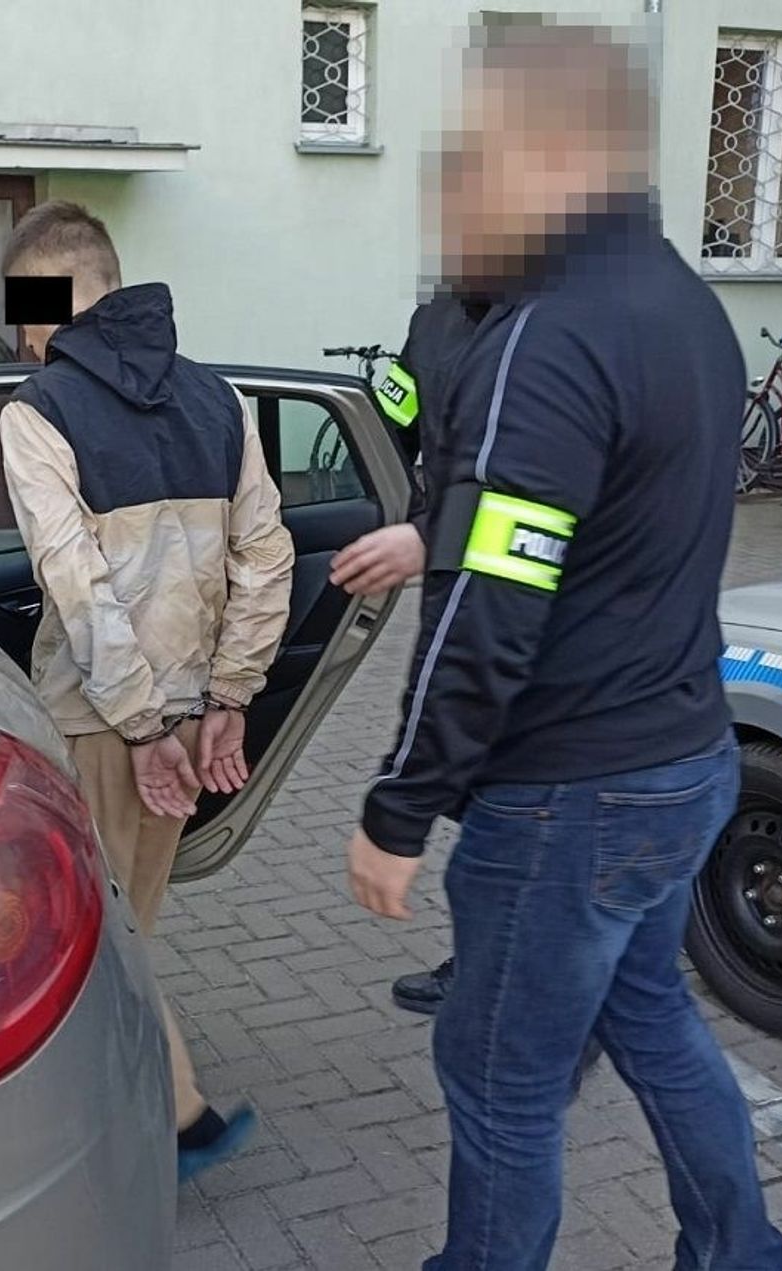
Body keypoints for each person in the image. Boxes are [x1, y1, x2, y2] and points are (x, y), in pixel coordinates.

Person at [344, 23, 782, 1271]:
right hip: (682, 759)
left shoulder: (546, 337)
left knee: (498, 1076)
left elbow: (489, 607)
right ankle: (742, 1252)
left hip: (568, 795)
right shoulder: (685, 304)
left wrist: (398, 807)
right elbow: (601, 525)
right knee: (654, 1020)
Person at [0, 201, 295, 1182]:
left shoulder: (36, 412)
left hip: (102, 724)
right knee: (124, 923)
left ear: (54, 295)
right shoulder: (219, 400)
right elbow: (266, 559)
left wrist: (138, 725)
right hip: (181, 722)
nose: (22, 337)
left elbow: (78, 588)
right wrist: (226, 699)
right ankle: (144, 1107)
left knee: (94, 932)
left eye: (24, 310)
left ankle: (167, 1115)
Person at [330, 296, 483, 1017]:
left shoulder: (549, 324)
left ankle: (494, 967)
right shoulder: (434, 324)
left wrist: (433, 535)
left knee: (503, 791)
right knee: (487, 791)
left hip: (516, 583)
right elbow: (391, 425)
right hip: (456, 578)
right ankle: (488, 956)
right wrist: (373, 505)